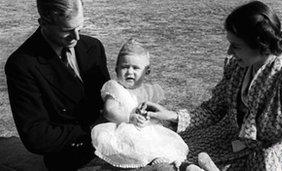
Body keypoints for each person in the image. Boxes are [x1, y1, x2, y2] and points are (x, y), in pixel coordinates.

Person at [145, 1, 282, 170]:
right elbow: (213, 110)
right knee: (166, 154)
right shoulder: (238, 65)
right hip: (229, 141)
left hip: (273, 156)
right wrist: (171, 116)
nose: (229, 52)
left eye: (235, 46)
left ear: (259, 44)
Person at [5, 0, 110, 170]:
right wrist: (91, 129)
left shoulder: (93, 47)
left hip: (110, 144)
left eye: (80, 27)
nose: (76, 37)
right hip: (71, 157)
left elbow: (107, 99)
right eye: (67, 30)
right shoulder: (23, 65)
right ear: (44, 22)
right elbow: (37, 136)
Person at [91, 38, 189, 169]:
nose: (130, 72)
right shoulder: (115, 88)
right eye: (125, 67)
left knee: (160, 145)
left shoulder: (149, 91)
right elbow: (109, 111)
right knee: (130, 149)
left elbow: (155, 114)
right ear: (116, 69)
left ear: (146, 71)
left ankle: (163, 162)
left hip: (145, 130)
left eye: (135, 68)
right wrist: (129, 118)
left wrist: (149, 117)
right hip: (122, 130)